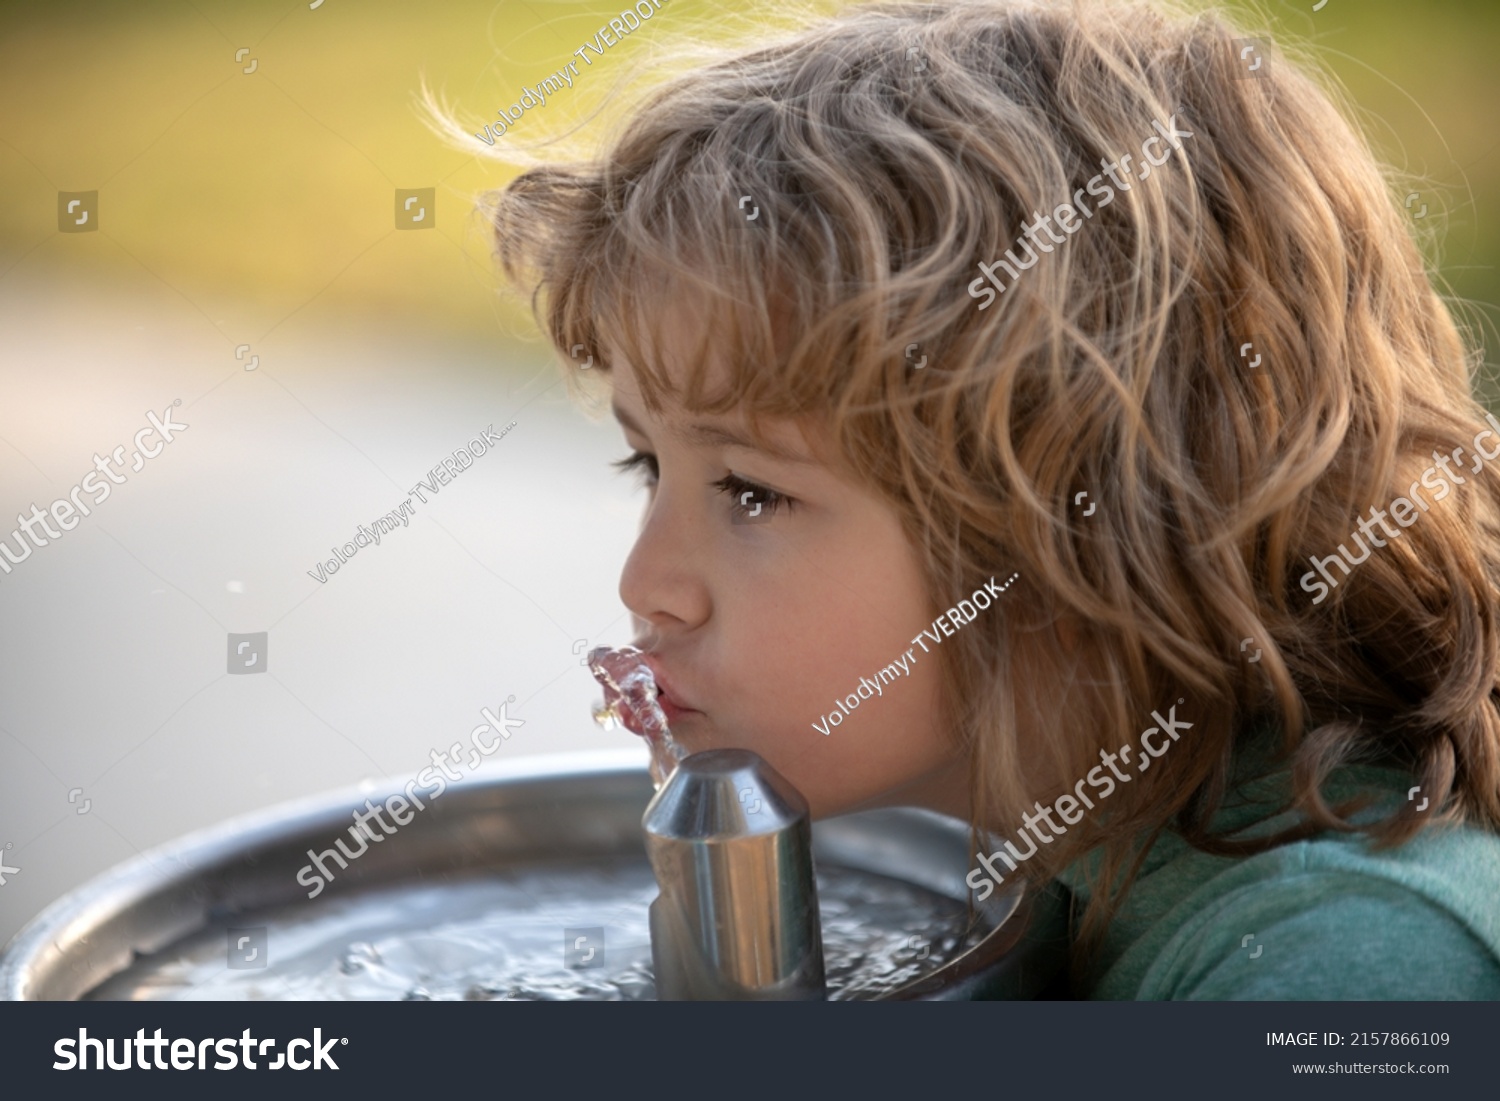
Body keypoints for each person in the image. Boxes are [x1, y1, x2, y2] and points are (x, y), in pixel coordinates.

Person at [433, 0, 1500, 998]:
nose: (647, 587)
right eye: (647, 468)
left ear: (1083, 524)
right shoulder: (1050, 831)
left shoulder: (1344, 960)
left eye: (752, 492)